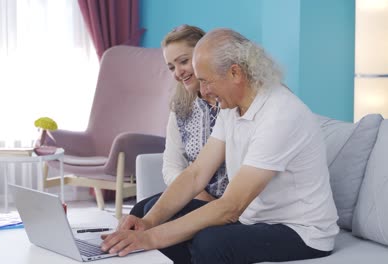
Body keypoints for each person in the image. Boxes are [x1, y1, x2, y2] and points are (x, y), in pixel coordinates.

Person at [101, 28, 339, 264]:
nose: (203, 91)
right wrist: (148, 224)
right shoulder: (231, 107)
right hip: (252, 219)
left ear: (235, 72)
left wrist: (150, 239)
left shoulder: (280, 114)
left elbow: (231, 207)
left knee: (210, 242)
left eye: (205, 81)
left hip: (301, 231)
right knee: (151, 209)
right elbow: (196, 174)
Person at [129, 25, 229, 218]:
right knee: (139, 210)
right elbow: (171, 166)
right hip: (195, 193)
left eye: (183, 61)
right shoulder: (181, 107)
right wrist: (196, 193)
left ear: (204, 55)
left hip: (232, 200)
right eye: (171, 67)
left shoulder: (230, 101)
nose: (178, 72)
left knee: (151, 214)